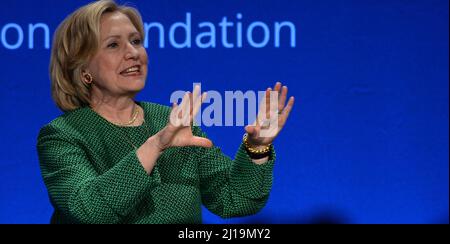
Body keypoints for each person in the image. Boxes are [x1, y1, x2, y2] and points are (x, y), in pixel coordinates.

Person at [37, 0, 294, 224]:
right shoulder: (62, 135)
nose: (133, 53)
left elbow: (234, 199)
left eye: (136, 41)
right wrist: (156, 146)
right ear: (84, 71)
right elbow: (88, 211)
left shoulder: (171, 121)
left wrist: (257, 147)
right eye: (113, 45)